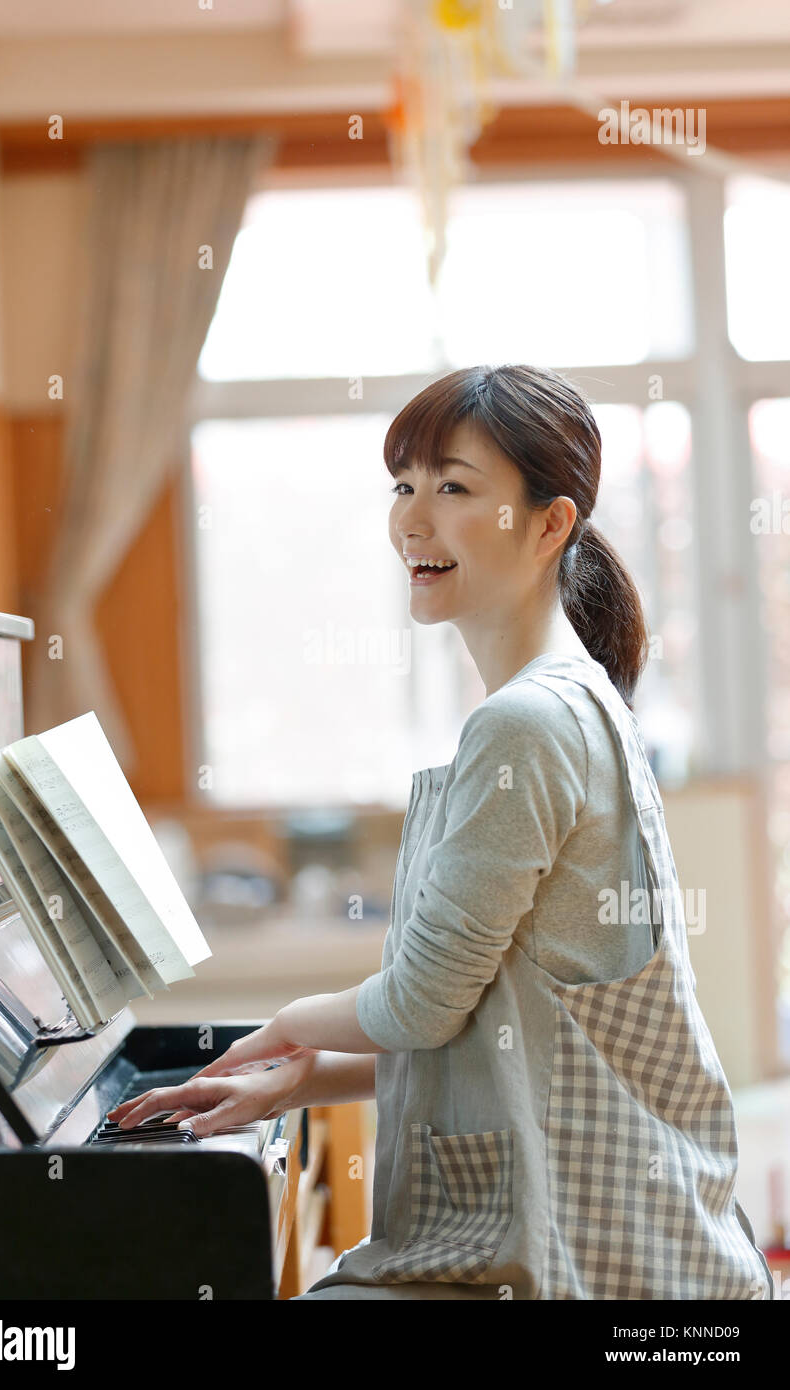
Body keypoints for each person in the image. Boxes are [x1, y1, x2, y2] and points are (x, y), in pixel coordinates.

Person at [108, 364, 773, 1301]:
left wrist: (281, 1031)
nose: (412, 520)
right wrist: (293, 1083)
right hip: (610, 1237)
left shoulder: (528, 723)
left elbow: (420, 1008)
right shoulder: (565, 704)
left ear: (550, 525)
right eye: (405, 486)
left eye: (454, 488)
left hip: (587, 1261)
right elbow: (496, 1039)